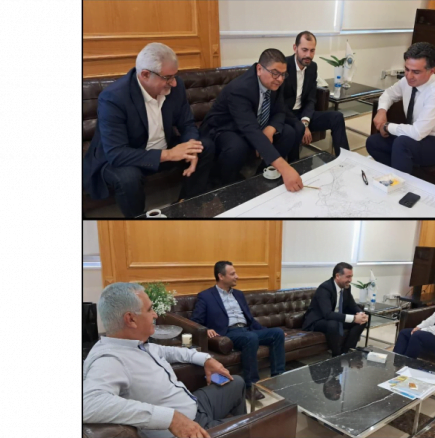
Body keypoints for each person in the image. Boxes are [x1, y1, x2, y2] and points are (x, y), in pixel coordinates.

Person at [83, 283, 246, 438]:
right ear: (131, 319)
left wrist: (207, 360)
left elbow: (171, 351)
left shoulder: (137, 344)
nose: (155, 314)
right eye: (149, 309)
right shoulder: (110, 359)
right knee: (256, 423)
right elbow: (88, 404)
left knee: (237, 383)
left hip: (194, 405)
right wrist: (171, 418)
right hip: (187, 429)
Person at [83, 42, 215, 218]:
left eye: (175, 76)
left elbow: (187, 124)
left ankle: (186, 205)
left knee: (204, 146)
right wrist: (169, 154)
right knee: (128, 177)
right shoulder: (114, 97)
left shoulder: (176, 87)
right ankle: (140, 221)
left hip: (162, 147)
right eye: (168, 77)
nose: (174, 83)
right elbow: (116, 153)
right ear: (145, 75)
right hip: (126, 156)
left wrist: (191, 148)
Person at [199, 49, 304, 191]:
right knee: (236, 146)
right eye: (275, 73)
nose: (280, 79)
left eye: (283, 74)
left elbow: (280, 111)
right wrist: (285, 168)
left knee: (288, 132)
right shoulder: (240, 89)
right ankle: (225, 185)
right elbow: (249, 128)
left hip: (254, 124)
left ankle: (261, 176)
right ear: (259, 69)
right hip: (224, 128)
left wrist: (270, 129)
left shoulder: (276, 82)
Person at [191, 261, 286, 401]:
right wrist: (206, 330)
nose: (237, 276)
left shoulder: (239, 295)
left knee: (277, 333)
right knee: (251, 338)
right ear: (221, 276)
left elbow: (250, 320)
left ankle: (278, 378)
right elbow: (195, 321)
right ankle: (250, 386)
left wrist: (266, 330)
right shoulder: (206, 296)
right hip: (229, 333)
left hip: (247, 329)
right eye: (233, 274)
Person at [366, 42, 435, 175]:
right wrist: (382, 110)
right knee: (373, 142)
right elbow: (388, 94)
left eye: (416, 72)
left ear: (432, 71)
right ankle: (399, 177)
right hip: (421, 137)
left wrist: (387, 126)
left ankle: (400, 184)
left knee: (402, 143)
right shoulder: (407, 81)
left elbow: (417, 133)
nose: (409, 76)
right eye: (407, 69)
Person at [282, 31, 349, 161]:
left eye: (312, 50)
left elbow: (311, 99)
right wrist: (301, 126)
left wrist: (305, 121)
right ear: (295, 48)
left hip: (303, 114)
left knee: (337, 117)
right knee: (296, 130)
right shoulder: (284, 66)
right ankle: (295, 166)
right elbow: (279, 103)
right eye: (304, 50)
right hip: (286, 116)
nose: (308, 55)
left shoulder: (312, 67)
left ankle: (345, 160)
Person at [302, 262, 368, 357]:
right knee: (333, 323)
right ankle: (336, 355)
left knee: (362, 321)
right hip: (318, 320)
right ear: (337, 276)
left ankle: (347, 351)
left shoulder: (346, 287)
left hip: (335, 318)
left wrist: (361, 314)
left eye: (351, 276)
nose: (350, 280)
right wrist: (353, 318)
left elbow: (352, 305)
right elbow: (328, 314)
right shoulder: (325, 288)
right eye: (348, 277)